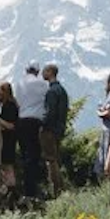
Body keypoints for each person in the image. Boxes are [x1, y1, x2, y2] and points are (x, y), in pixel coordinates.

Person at [14, 61, 46, 201]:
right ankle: (34, 189)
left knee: (25, 154)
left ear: (26, 70)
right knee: (35, 155)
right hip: (36, 122)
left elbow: (18, 102)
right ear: (38, 71)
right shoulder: (43, 85)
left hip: (21, 121)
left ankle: (26, 189)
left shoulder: (19, 84)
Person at [41, 64, 68, 197]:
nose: (42, 73)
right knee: (56, 158)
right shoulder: (62, 90)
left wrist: (42, 124)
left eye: (45, 71)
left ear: (50, 72)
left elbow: (49, 112)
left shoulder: (51, 92)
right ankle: (60, 187)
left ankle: (56, 189)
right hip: (59, 128)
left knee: (50, 160)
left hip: (49, 130)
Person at [0, 82, 19, 205]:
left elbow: (10, 125)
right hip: (8, 140)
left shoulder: (9, 106)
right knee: (6, 166)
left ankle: (11, 193)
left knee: (7, 167)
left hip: (7, 141)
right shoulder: (9, 105)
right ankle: (10, 192)